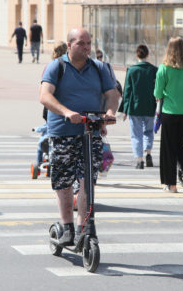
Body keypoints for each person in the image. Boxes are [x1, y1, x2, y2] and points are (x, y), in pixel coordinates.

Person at [39, 28, 119, 246]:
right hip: (63, 132)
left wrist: (110, 112)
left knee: (87, 182)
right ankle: (67, 227)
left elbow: (112, 94)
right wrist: (66, 112)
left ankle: (84, 226)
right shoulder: (58, 66)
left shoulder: (99, 67)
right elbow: (45, 95)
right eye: (81, 44)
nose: (86, 48)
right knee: (63, 182)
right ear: (69, 45)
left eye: (88, 43)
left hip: (89, 131)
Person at [154, 37, 183, 193]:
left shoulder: (164, 68)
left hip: (169, 112)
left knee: (168, 149)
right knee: (179, 146)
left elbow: (157, 93)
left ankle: (171, 185)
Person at [118, 44, 158, 169]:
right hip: (150, 105)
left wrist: (124, 109)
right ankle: (149, 153)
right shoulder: (154, 70)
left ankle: (139, 160)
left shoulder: (132, 70)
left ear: (137, 55)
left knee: (136, 134)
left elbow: (127, 90)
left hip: (134, 107)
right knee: (148, 131)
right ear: (148, 54)